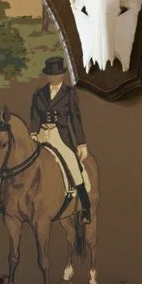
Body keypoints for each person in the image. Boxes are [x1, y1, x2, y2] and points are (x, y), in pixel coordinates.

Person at [30, 57, 92, 219]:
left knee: (72, 164)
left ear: (62, 75)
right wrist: (33, 133)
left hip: (60, 135)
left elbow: (75, 118)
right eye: (51, 74)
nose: (54, 77)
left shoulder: (69, 93)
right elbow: (35, 115)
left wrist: (81, 143)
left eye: (57, 74)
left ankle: (85, 207)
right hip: (42, 133)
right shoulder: (39, 93)